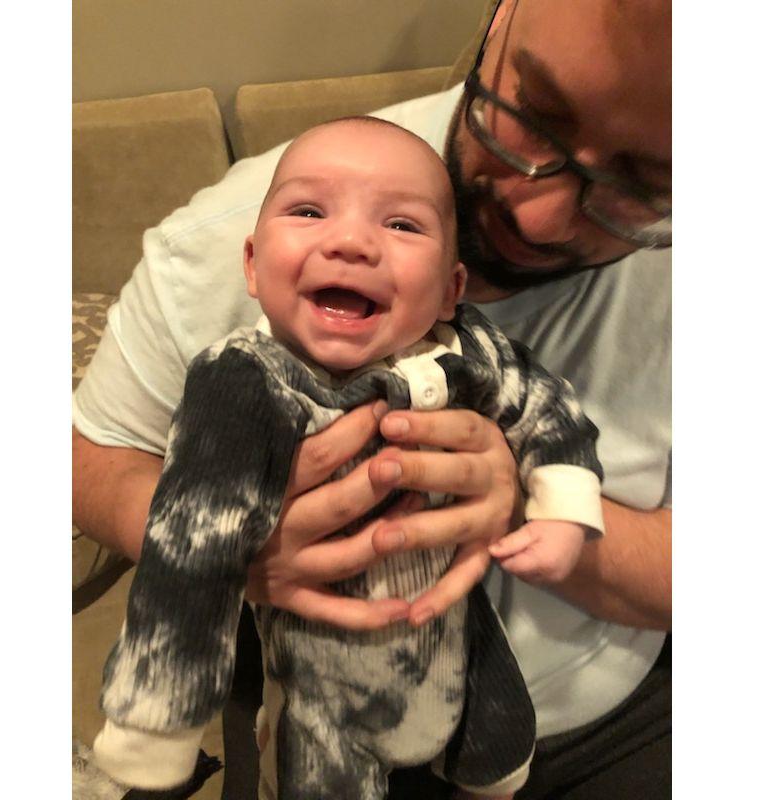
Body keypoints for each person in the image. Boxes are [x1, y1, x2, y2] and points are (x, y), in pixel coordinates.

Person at [72, 0, 671, 798]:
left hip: (610, 708)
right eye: (535, 115)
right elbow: (87, 454)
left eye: (641, 187)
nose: (542, 215)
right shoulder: (216, 252)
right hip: (320, 705)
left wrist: (527, 506)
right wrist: (233, 546)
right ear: (498, 21)